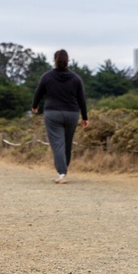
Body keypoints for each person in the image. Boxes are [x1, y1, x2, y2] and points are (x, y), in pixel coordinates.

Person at [32, 49, 89, 184]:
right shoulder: (76, 78)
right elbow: (82, 99)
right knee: (67, 144)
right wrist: (85, 117)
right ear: (68, 61)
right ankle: (63, 170)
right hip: (72, 114)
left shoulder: (47, 77)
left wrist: (35, 106)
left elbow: (38, 93)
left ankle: (62, 173)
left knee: (58, 144)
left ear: (54, 60)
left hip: (53, 113)